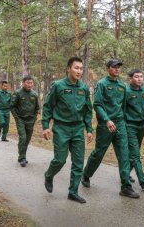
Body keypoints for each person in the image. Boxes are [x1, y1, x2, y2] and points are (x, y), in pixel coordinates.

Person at [82, 59, 139, 199]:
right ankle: (86, 174)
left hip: (120, 124)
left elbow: (124, 106)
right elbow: (97, 105)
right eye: (114, 67)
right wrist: (107, 120)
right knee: (99, 153)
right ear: (108, 68)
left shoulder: (122, 86)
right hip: (105, 125)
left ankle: (125, 186)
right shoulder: (102, 84)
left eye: (119, 67)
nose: (117, 69)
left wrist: (123, 121)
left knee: (124, 154)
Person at [42, 57, 93, 204]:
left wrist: (89, 128)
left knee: (78, 162)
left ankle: (73, 192)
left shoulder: (83, 88)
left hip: (78, 128)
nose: (79, 71)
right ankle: (49, 175)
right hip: (61, 128)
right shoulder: (58, 86)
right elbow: (48, 106)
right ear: (68, 69)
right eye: (76, 68)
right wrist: (45, 126)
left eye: (81, 68)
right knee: (60, 159)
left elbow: (87, 110)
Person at [125, 69, 144, 189]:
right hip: (130, 125)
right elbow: (122, 108)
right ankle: (142, 180)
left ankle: (125, 174)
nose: (140, 79)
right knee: (135, 154)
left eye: (141, 76)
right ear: (130, 78)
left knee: (134, 153)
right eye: (136, 77)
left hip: (142, 125)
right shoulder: (125, 91)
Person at [11, 75, 40, 167]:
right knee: (23, 138)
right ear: (23, 83)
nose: (29, 85)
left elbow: (37, 108)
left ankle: (22, 155)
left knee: (27, 140)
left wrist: (34, 118)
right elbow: (12, 106)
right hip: (21, 120)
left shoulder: (34, 94)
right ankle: (22, 158)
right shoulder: (18, 93)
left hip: (31, 120)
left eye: (31, 83)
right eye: (28, 83)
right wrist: (17, 118)